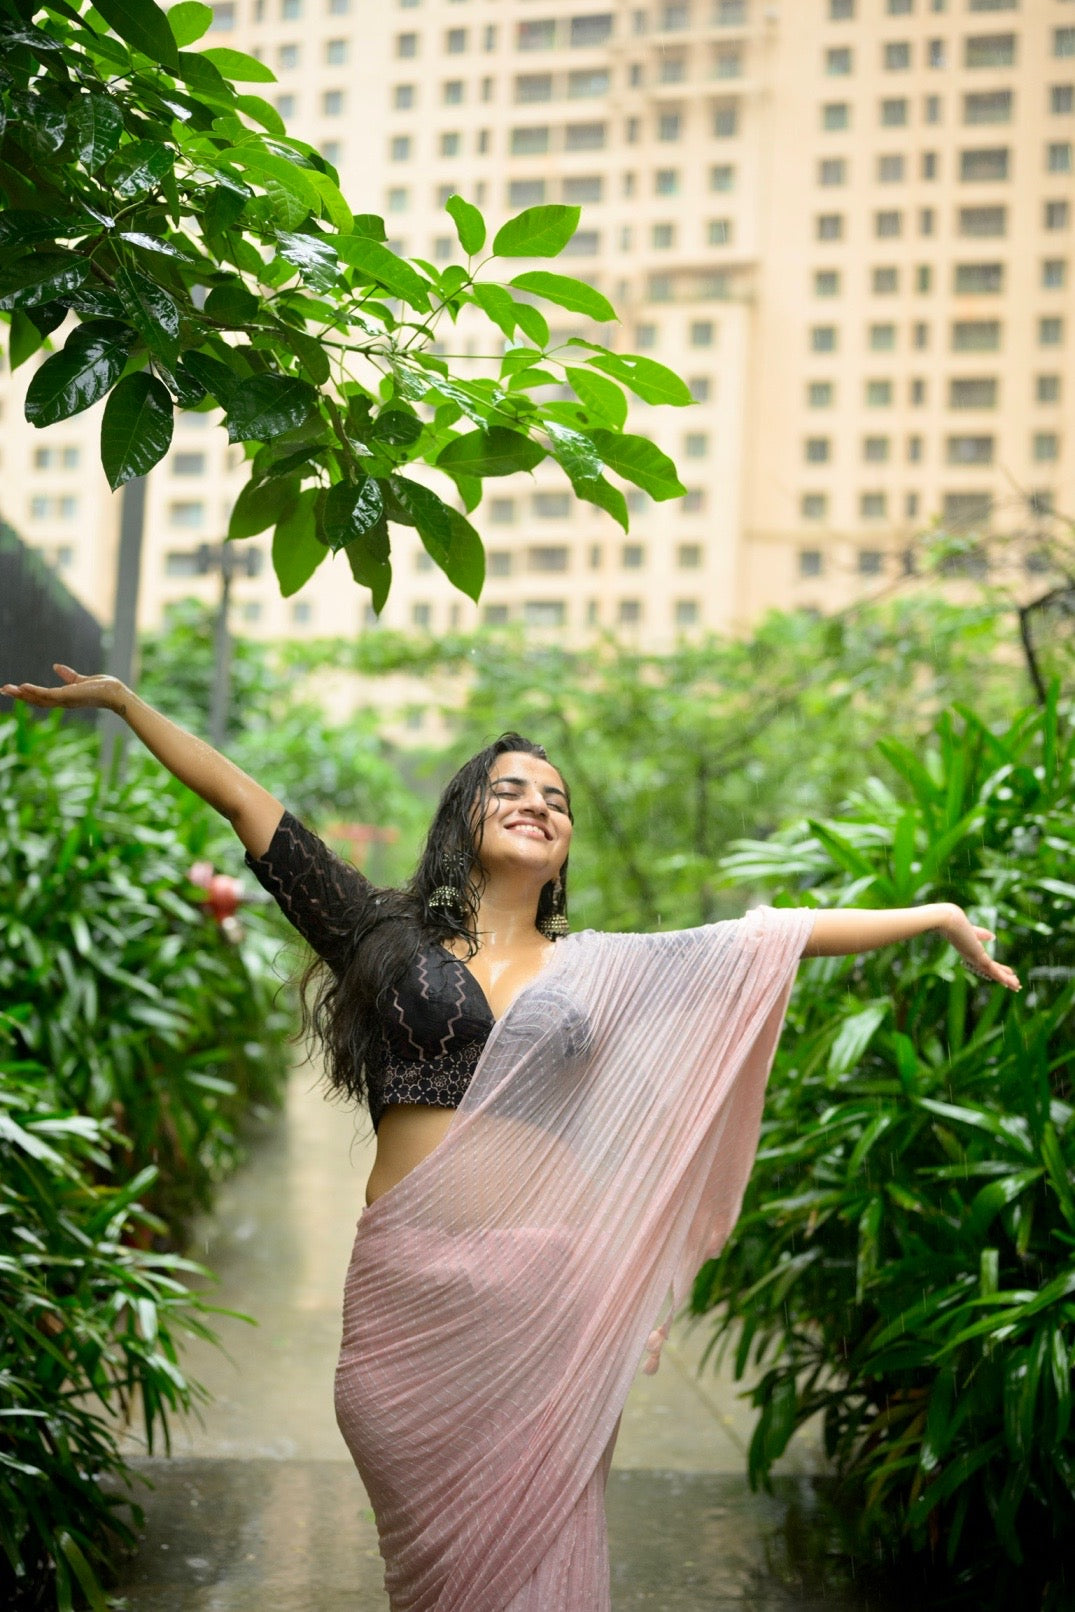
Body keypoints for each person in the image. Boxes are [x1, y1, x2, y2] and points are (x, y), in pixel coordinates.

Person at [2, 665, 1021, 1611]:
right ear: (466, 817)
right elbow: (248, 807)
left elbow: (758, 939)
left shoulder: (601, 966)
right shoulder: (380, 934)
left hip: (549, 1298)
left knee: (541, 1559)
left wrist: (930, 912)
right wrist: (128, 706)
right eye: (513, 788)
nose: (540, 802)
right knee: (438, 1574)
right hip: (409, 1301)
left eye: (557, 798)